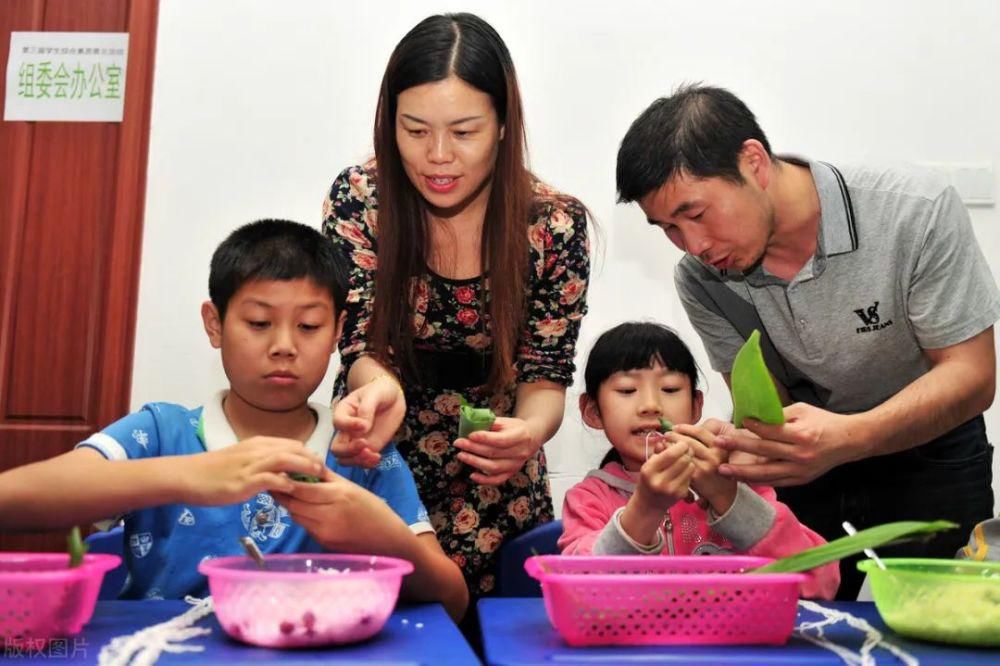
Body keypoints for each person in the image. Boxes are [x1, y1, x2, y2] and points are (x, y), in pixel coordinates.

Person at [615, 83, 1000, 599]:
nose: (694, 246)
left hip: (932, 450)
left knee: (938, 630)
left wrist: (849, 437)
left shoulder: (912, 212)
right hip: (809, 464)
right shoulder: (702, 278)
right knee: (809, 627)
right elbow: (766, 409)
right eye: (668, 228)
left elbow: (972, 376)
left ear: (754, 162)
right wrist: (731, 447)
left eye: (697, 214)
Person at [0, 219, 468, 620]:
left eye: (308, 326)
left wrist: (381, 533)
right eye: (259, 324)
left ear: (337, 333)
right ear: (214, 324)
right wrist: (185, 475)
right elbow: (12, 502)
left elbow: (452, 603)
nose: (284, 345)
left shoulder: (360, 450)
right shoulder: (161, 433)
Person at [322, 12, 591, 604]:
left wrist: (528, 433)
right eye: (414, 131)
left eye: (463, 132)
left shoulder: (553, 225)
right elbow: (359, 340)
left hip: (496, 480)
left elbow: (546, 372)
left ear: (501, 125)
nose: (437, 157)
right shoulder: (362, 200)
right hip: (382, 466)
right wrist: (377, 387)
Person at [559, 322, 838, 599]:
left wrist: (727, 496)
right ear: (593, 411)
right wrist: (644, 509)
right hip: (638, 644)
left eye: (669, 389)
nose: (651, 405)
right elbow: (578, 594)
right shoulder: (589, 500)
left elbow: (820, 582)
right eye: (627, 390)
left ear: (696, 406)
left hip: (737, 641)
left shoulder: (736, 481)